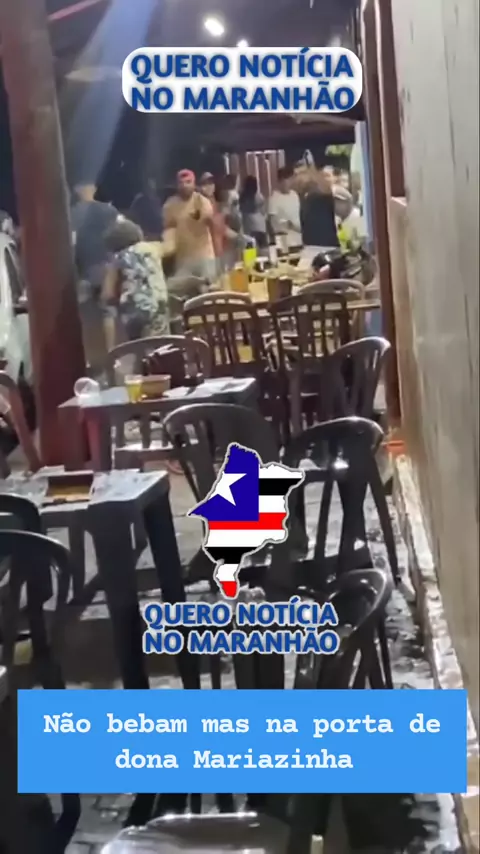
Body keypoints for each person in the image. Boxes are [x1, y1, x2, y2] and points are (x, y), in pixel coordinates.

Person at [101, 218, 169, 347]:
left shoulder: (118, 257)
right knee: (161, 345)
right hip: (159, 306)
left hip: (135, 311)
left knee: (139, 346)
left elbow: (107, 294)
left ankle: (114, 352)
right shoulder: (153, 248)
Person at [162, 169, 217, 283]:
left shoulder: (202, 201)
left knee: (210, 289)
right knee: (185, 291)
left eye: (188, 182)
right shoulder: (170, 205)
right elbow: (168, 230)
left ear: (194, 183)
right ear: (177, 185)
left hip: (204, 258)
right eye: (181, 183)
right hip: (183, 260)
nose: (184, 186)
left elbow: (210, 222)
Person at [299, 166, 339, 249]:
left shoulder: (339, 198)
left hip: (333, 246)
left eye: (327, 176)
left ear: (334, 178)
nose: (324, 179)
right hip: (313, 246)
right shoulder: (310, 199)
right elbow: (304, 221)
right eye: (322, 176)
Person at [268, 166, 302, 249]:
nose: (288, 183)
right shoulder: (274, 198)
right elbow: (271, 222)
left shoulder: (294, 195)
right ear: (279, 181)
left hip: (299, 238)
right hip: (285, 242)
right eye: (285, 180)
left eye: (290, 180)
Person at [239, 175, 268, 250]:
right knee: (263, 251)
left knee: (250, 253)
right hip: (260, 228)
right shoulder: (259, 197)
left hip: (248, 230)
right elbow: (264, 212)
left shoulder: (242, 198)